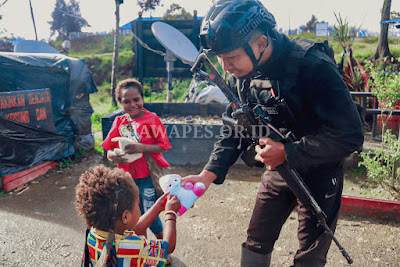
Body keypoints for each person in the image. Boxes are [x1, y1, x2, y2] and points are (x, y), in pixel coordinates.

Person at [183, 0, 364, 266]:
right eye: (220, 59)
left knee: (310, 255)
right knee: (256, 240)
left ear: (260, 43)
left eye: (231, 57)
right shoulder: (242, 73)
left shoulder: (313, 67)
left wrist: (289, 152)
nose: (226, 67)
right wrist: (206, 175)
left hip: (321, 171)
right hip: (278, 170)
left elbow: (349, 134)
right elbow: (235, 125)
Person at [101, 78, 172, 241]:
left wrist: (142, 147)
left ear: (142, 98)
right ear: (119, 102)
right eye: (126, 101)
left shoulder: (152, 119)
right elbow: (108, 151)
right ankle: (144, 246)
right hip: (126, 178)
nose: (132, 104)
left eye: (136, 100)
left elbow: (163, 146)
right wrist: (113, 156)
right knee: (133, 215)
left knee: (150, 212)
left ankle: (163, 246)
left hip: (147, 177)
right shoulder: (119, 122)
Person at [75, 165, 181, 266]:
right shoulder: (135, 247)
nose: (139, 208)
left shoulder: (93, 232)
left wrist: (157, 207)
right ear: (125, 216)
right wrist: (170, 214)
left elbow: (135, 229)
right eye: (137, 204)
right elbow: (168, 247)